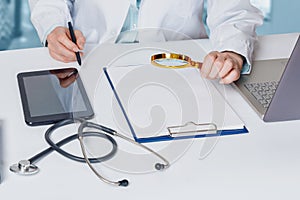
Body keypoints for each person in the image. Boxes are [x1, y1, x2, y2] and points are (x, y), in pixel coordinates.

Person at [28, 0, 263, 84]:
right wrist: (54, 26)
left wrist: (232, 52)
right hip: (89, 61)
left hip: (180, 67)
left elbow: (234, 12)